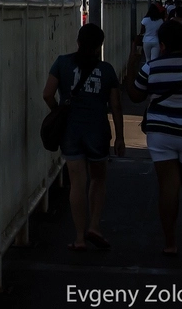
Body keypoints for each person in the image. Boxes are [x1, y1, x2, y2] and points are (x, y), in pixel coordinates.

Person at [125, 20, 182, 255]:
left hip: (161, 133)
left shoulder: (153, 68)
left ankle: (170, 243)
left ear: (163, 45)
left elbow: (135, 96)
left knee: (168, 186)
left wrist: (131, 64)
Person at [43, 23, 125, 251]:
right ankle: (95, 226)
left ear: (78, 41)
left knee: (76, 183)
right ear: (100, 46)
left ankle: (79, 237)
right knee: (98, 179)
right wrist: (120, 138)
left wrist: (58, 111)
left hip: (71, 130)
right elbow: (116, 106)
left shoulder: (62, 63)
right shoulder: (107, 70)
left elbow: (47, 94)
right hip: (98, 131)